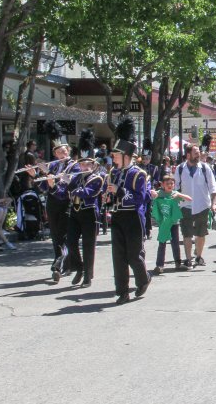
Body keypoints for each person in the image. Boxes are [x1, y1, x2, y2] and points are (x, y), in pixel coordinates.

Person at [107, 117, 151, 304]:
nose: (113, 158)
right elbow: (112, 196)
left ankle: (143, 279)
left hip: (133, 217)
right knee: (118, 256)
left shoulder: (138, 174)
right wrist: (107, 199)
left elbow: (140, 199)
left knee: (134, 255)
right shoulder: (113, 173)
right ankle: (122, 291)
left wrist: (120, 191)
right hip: (117, 217)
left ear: (126, 155)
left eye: (116, 155)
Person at [31, 123, 79, 282]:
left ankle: (58, 264)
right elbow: (45, 186)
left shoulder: (75, 166)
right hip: (52, 203)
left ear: (69, 151)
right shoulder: (53, 165)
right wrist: (35, 175)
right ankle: (65, 263)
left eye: (64, 151)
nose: (62, 154)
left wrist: (49, 174)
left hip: (66, 202)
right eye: (59, 152)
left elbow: (68, 183)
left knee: (63, 235)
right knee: (55, 235)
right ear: (55, 154)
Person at [64, 130, 104, 288]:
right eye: (81, 164)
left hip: (89, 214)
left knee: (88, 246)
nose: (84, 167)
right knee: (70, 242)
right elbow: (63, 192)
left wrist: (71, 187)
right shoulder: (76, 177)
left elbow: (88, 193)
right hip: (75, 213)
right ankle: (79, 268)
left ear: (93, 165)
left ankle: (88, 275)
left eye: (87, 164)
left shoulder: (98, 178)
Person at [175, 136, 216, 268]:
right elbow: (175, 188)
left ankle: (198, 256)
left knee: (200, 234)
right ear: (188, 155)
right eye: (195, 153)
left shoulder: (205, 168)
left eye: (199, 152)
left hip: (202, 206)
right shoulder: (180, 169)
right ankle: (188, 259)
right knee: (187, 234)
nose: (198, 154)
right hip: (185, 206)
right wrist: (177, 201)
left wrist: (214, 203)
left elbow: (213, 187)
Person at [151, 172, 191, 274]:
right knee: (162, 243)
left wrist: (179, 194)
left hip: (174, 222)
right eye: (168, 183)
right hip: (164, 223)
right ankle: (159, 265)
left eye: (172, 184)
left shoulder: (175, 194)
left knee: (175, 243)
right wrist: (153, 193)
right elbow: (151, 193)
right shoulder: (160, 193)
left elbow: (189, 199)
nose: (170, 185)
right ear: (162, 184)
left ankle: (178, 263)